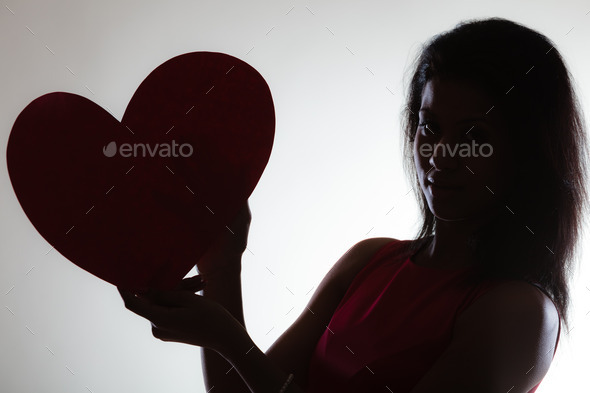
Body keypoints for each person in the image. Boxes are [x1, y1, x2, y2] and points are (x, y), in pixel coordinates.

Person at [118, 16, 589, 393]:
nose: (441, 156)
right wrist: (222, 263)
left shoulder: (519, 311)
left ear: (527, 153)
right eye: (430, 127)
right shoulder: (370, 260)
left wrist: (226, 338)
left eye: (475, 136)